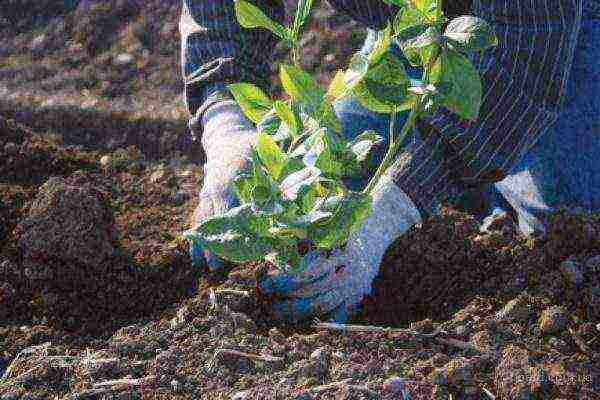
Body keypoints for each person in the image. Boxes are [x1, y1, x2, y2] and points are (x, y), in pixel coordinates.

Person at [181, 0, 600, 324]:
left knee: (569, 230)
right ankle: (470, 168)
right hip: (419, 27)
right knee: (327, 184)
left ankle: (487, 176)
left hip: (558, 29)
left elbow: (525, 61)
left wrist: (392, 207)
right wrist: (226, 124)